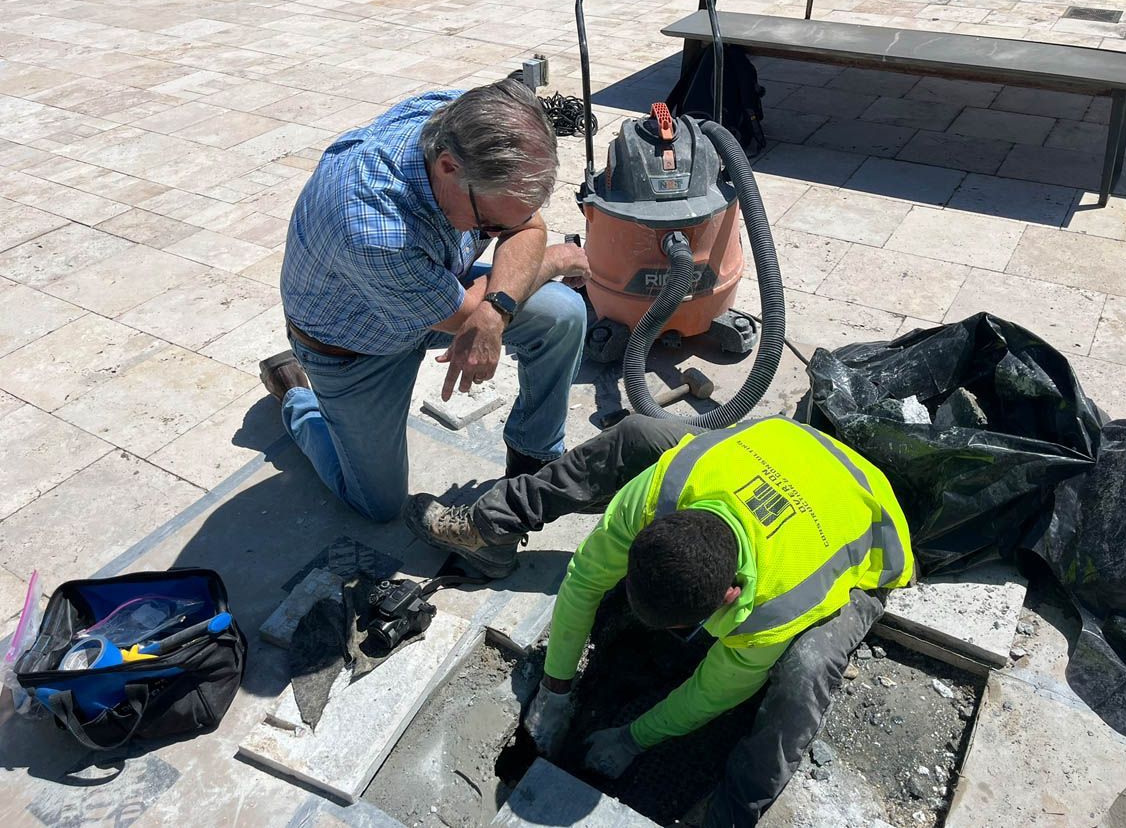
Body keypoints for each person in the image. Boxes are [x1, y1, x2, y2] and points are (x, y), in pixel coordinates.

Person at [407, 414, 915, 826]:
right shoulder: (660, 493)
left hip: (868, 525)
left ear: (731, 593)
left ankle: (728, 815)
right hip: (782, 445)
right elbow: (585, 578)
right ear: (657, 528)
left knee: (807, 666)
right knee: (633, 435)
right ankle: (489, 525)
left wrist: (635, 736)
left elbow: (718, 687)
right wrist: (555, 687)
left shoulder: (777, 606)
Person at [259, 79, 590, 526]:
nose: (494, 234)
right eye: (488, 225)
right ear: (449, 167)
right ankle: (296, 395)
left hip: (436, 290)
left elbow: (525, 230)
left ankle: (534, 459)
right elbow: (465, 316)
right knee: (378, 506)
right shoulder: (372, 226)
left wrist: (494, 308)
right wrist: (555, 261)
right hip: (354, 347)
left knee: (563, 315)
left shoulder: (461, 125)